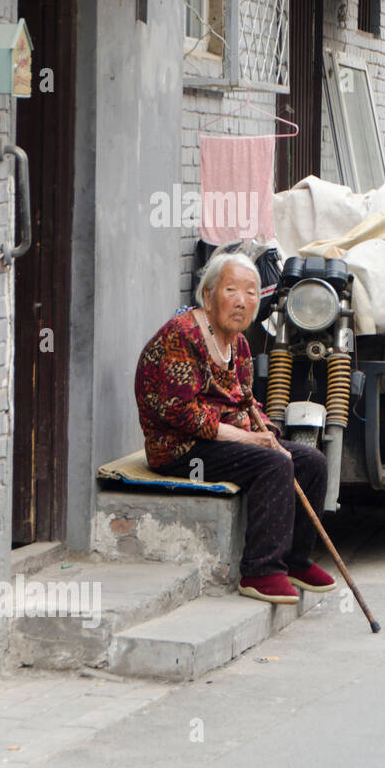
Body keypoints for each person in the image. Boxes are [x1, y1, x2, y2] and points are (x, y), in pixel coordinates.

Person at [134, 253, 337, 604]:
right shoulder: (182, 336)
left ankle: (295, 560)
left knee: (310, 461)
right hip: (179, 448)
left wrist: (266, 430)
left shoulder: (238, 343)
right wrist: (251, 439)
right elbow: (184, 414)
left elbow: (243, 400)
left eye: (251, 293)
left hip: (219, 440)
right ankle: (260, 571)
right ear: (208, 294)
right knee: (274, 464)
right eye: (231, 290)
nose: (242, 301)